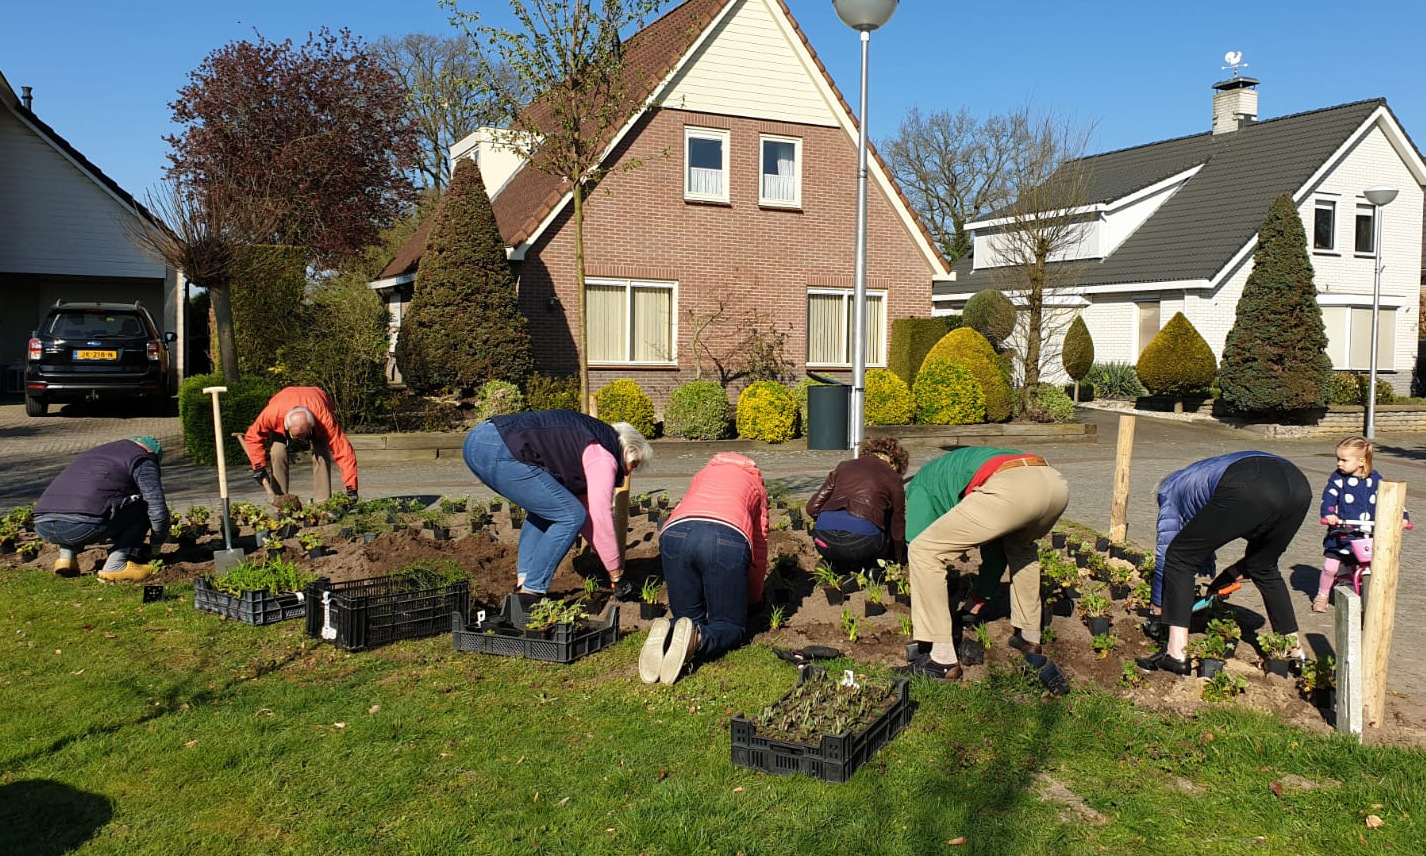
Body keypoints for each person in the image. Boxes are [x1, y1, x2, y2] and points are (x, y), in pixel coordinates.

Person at [898, 447, 1069, 681]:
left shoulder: (919, 487)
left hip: (1010, 486)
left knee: (923, 551)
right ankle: (1029, 638)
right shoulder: (952, 470)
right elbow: (995, 550)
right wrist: (979, 597)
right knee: (1020, 548)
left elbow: (915, 540)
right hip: (1053, 482)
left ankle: (941, 659)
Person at [1138, 452, 1311, 675]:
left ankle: (1175, 653)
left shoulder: (1168, 491)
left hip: (1251, 480)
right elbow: (1252, 559)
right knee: (1264, 566)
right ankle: (1295, 652)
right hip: (1298, 486)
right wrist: (1230, 575)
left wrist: (1157, 608)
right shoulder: (1197, 477)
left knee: (1179, 556)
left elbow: (1166, 553)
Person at [463, 409, 652, 600]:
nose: (628, 474)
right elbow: (598, 514)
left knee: (548, 511)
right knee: (570, 516)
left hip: (480, 440)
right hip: (500, 448)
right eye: (633, 466)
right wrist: (616, 573)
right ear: (630, 452)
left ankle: (524, 584)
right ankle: (531, 592)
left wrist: (610, 565)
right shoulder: (603, 456)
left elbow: (589, 518)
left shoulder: (591, 441)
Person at [642, 453, 769, 685]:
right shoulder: (755, 485)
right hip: (726, 536)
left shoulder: (702, 475)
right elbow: (759, 546)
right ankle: (698, 639)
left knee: (687, 618)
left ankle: (671, 631)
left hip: (675, 533)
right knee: (729, 625)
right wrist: (753, 598)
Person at [33, 436, 170, 582]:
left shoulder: (96, 454)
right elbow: (158, 510)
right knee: (144, 507)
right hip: (82, 526)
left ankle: (66, 558)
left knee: (74, 504)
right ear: (150, 452)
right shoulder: (142, 460)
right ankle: (116, 565)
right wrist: (156, 546)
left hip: (43, 524)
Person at [1313, 436, 1410, 613]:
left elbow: (1391, 499)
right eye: (1338, 459)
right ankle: (1322, 594)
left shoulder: (1375, 479)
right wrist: (1329, 514)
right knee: (1330, 567)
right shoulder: (1337, 479)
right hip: (1343, 532)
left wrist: (1402, 517)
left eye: (1344, 460)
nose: (1339, 464)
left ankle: (1370, 601)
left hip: (1367, 534)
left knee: (1371, 568)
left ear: (1361, 461)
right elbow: (1329, 496)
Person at [806, 437, 909, 578]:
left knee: (845, 541)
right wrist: (898, 557)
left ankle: (832, 563)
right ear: (896, 463)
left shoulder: (843, 466)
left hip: (823, 538)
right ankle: (874, 569)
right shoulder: (893, 478)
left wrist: (833, 524)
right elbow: (898, 526)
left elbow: (812, 508)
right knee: (887, 520)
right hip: (862, 542)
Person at [243, 386, 359, 506]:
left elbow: (343, 450)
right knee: (277, 453)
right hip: (283, 408)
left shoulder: (323, 418)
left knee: (322, 454)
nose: (302, 440)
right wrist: (258, 467)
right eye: (296, 436)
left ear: (312, 425)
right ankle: (281, 500)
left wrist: (351, 489)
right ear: (287, 427)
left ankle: (323, 503)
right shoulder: (272, 415)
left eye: (305, 435)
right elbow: (253, 436)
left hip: (316, 406)